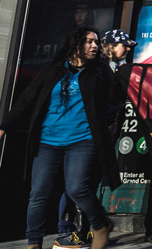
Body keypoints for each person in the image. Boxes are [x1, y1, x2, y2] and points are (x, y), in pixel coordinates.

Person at [0, 28, 119, 249]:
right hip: (48, 141)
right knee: (38, 194)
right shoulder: (53, 70)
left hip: (82, 140)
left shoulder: (99, 72)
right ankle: (34, 243)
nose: (95, 46)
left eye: (96, 42)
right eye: (89, 41)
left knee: (76, 188)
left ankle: (100, 225)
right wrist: (4, 127)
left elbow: (115, 99)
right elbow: (26, 100)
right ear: (76, 44)